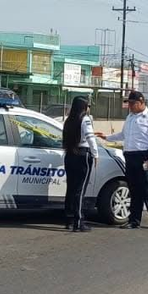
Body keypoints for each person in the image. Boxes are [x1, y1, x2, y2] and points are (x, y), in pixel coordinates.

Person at [97, 91, 148, 230]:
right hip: (130, 155)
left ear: (141, 102)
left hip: (144, 156)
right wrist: (107, 137)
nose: (130, 106)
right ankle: (134, 220)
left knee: (146, 188)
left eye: (132, 103)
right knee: (133, 189)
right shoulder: (130, 117)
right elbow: (123, 135)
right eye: (129, 103)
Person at [61, 96, 98, 232]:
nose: (89, 109)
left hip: (70, 154)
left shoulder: (68, 120)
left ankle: (69, 219)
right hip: (82, 154)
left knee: (71, 188)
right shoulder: (85, 119)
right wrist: (96, 154)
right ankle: (78, 221)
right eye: (88, 106)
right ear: (83, 107)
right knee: (80, 190)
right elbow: (90, 137)